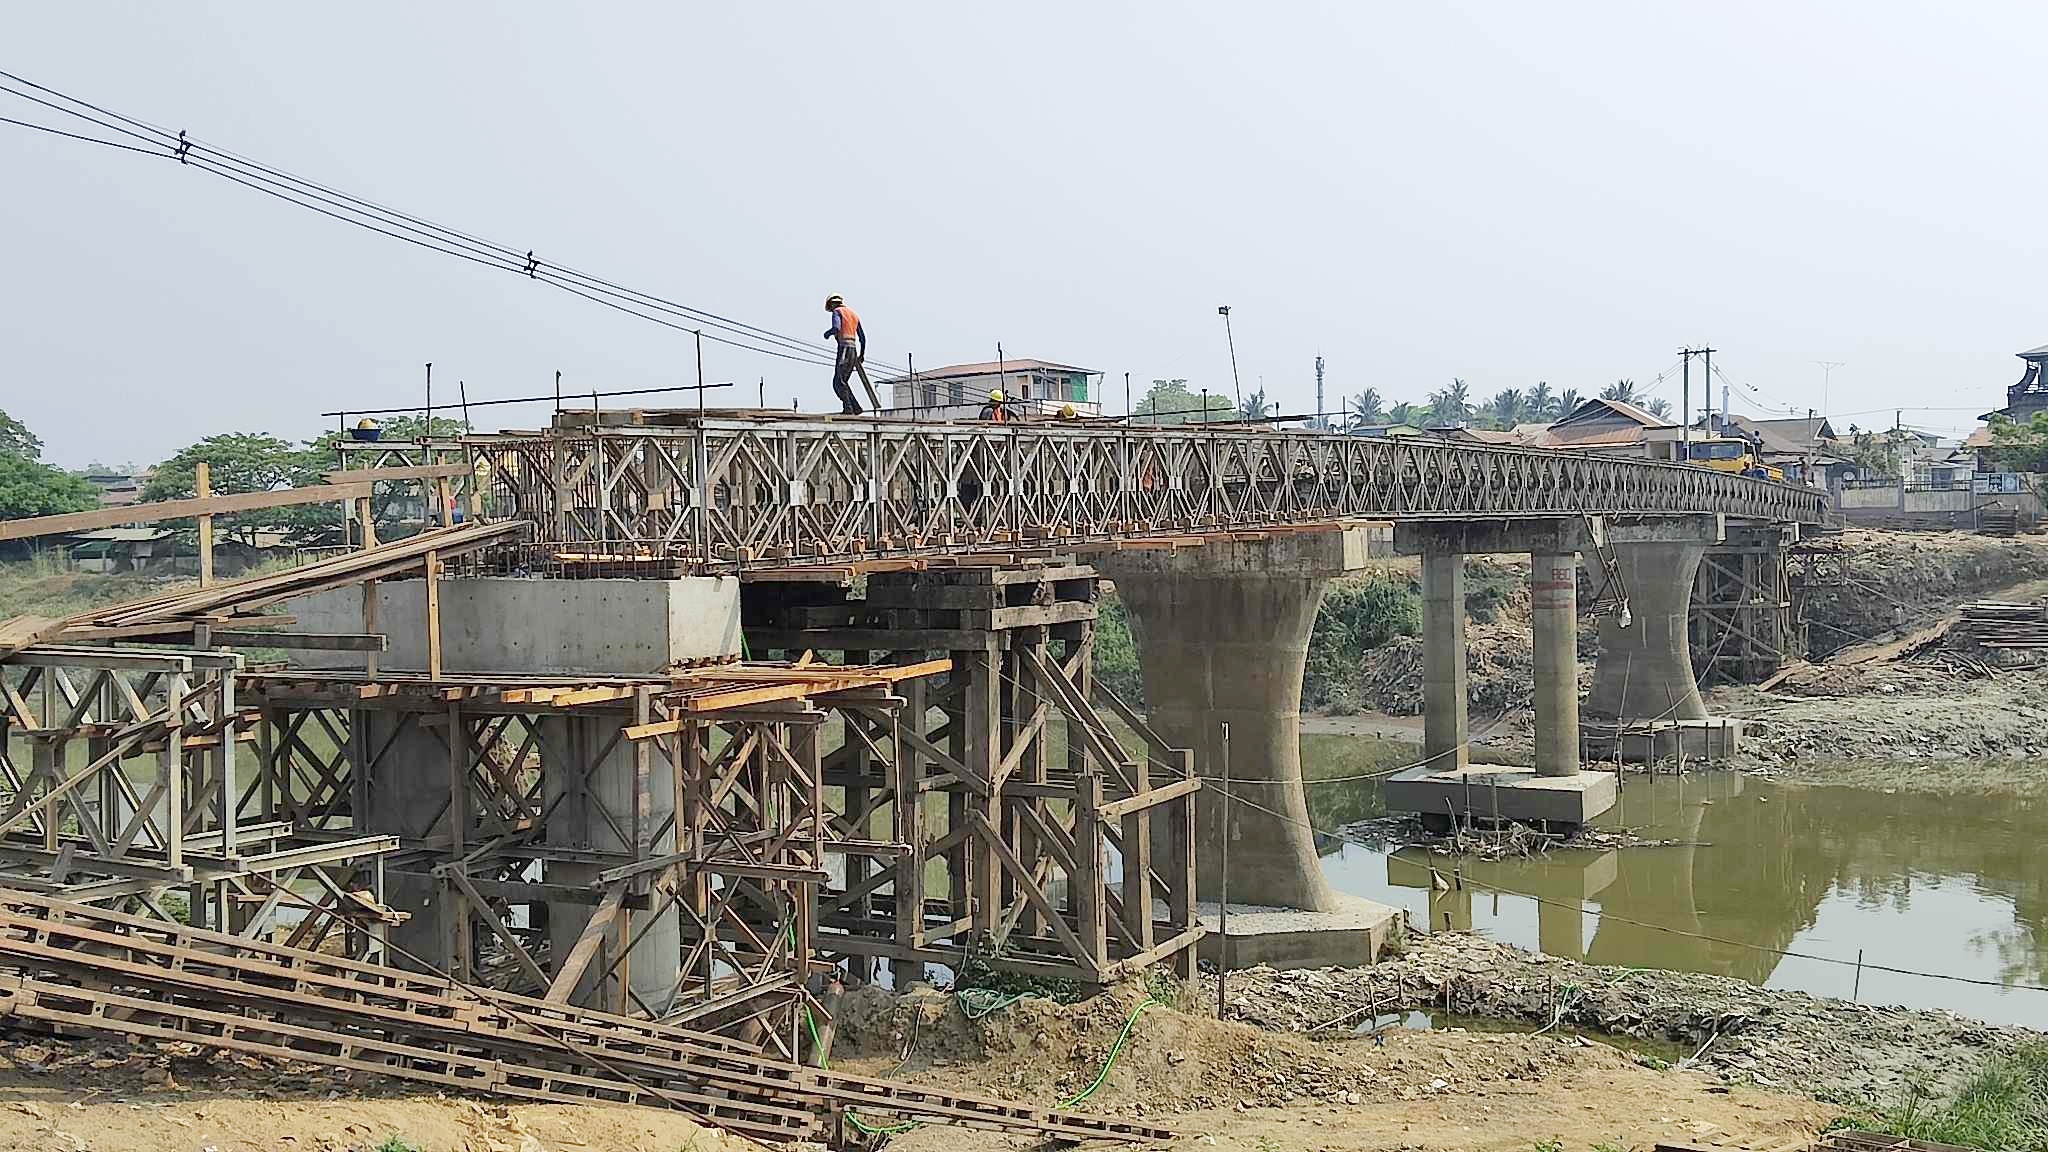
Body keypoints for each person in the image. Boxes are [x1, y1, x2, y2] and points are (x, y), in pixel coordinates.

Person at [823, 294, 866, 415]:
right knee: (843, 381)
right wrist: (862, 354)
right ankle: (855, 407)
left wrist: (827, 334)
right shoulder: (853, 314)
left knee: (838, 382)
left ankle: (849, 408)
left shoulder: (837, 312)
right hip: (853, 350)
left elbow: (836, 328)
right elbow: (862, 338)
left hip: (844, 349)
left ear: (832, 304)